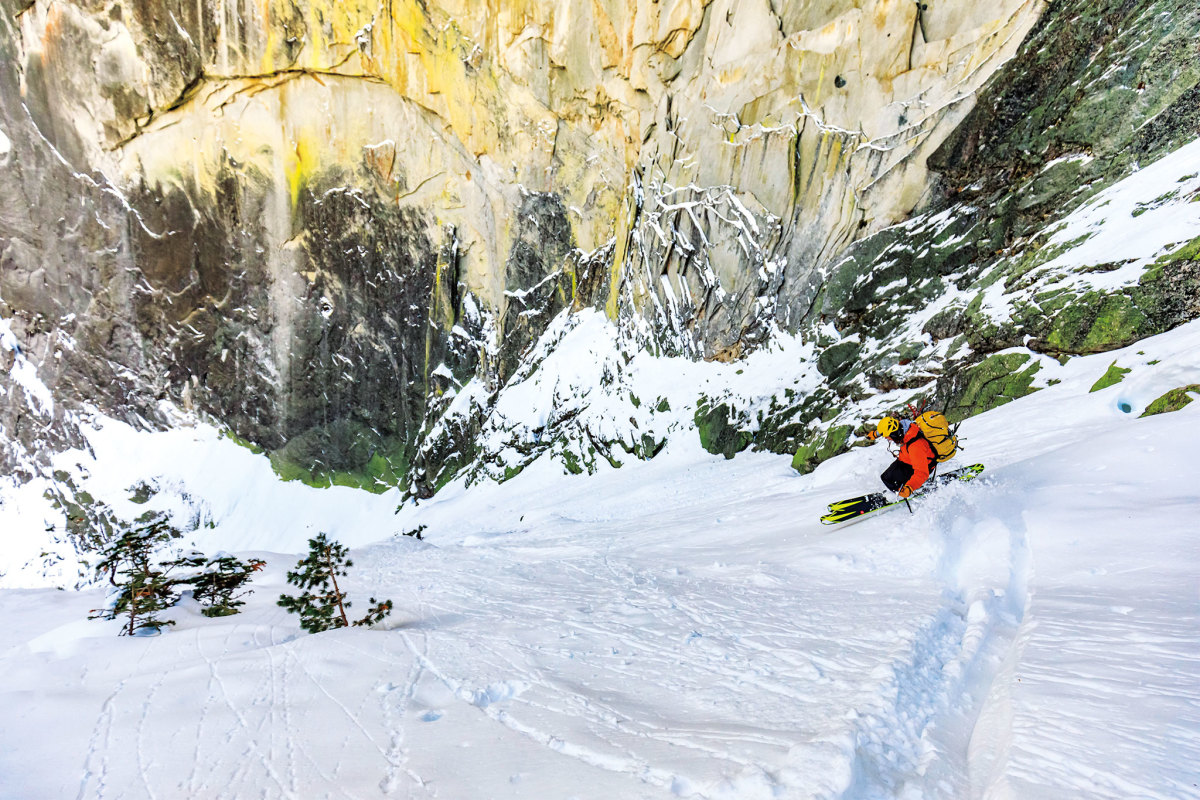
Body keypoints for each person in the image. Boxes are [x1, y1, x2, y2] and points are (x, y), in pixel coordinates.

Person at [867, 416, 936, 498]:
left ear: (894, 434)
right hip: (908, 459)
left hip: (923, 465)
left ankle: (901, 494)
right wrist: (876, 434)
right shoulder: (903, 427)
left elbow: (922, 472)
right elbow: (888, 428)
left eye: (887, 436)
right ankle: (901, 488)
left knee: (888, 480)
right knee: (886, 476)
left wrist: (910, 487)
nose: (886, 438)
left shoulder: (915, 447)